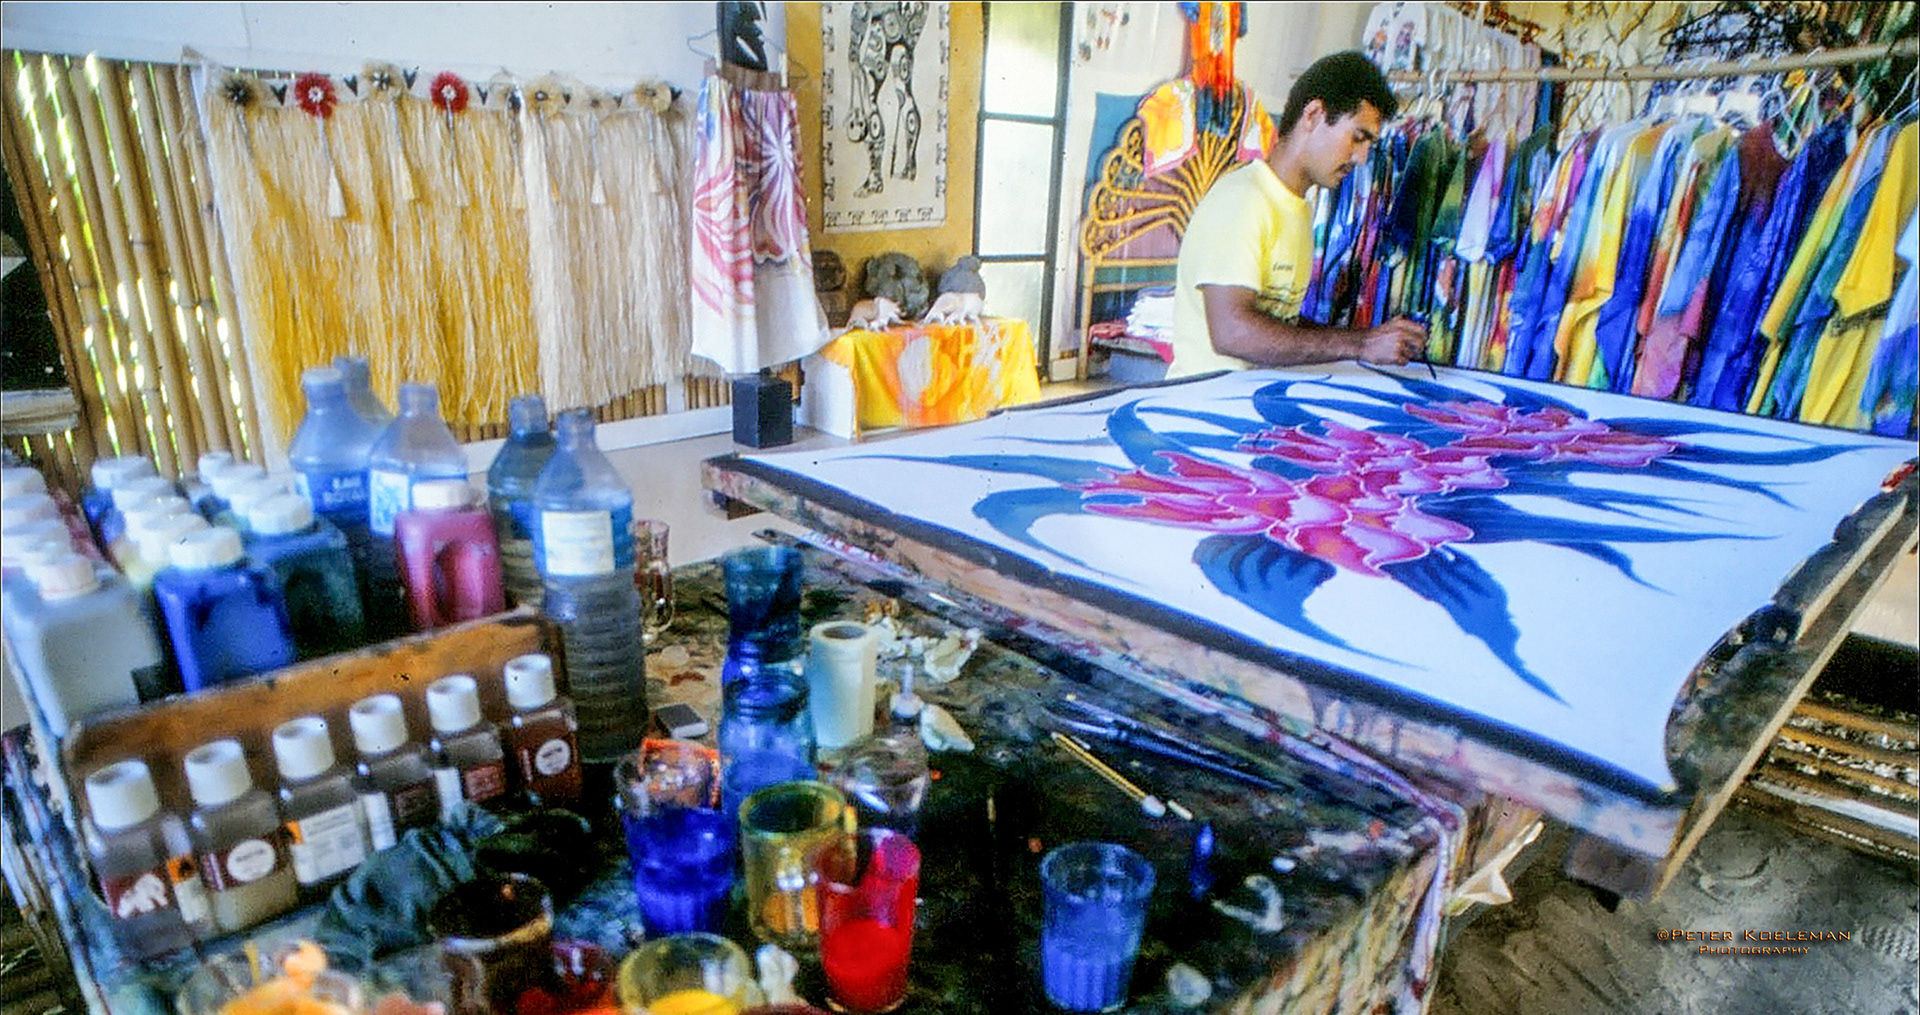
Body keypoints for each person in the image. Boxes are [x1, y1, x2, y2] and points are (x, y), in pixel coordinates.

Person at [1170, 51, 1428, 377]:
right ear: (1313, 115)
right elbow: (1231, 332)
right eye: (1357, 138)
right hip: (1200, 410)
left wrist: (1367, 341)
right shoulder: (1243, 199)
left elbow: (1281, 324)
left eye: (1368, 146)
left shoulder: (1296, 207)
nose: (1362, 158)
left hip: (1254, 400)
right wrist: (1359, 345)